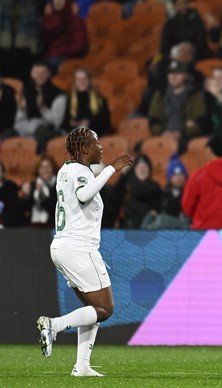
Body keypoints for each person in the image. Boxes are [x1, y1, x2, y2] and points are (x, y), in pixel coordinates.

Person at [36, 126, 133, 376]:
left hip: (62, 246)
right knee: (105, 309)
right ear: (85, 148)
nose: (101, 147)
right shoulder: (80, 171)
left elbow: (86, 182)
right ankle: (54, 325)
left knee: (92, 311)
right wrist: (113, 168)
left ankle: (82, 366)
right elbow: (83, 195)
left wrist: (104, 169)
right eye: (96, 142)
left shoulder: (67, 169)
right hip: (79, 248)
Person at [14, 61, 67, 153]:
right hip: (30, 129)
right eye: (37, 73)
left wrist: (42, 108)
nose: (40, 76)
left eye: (43, 73)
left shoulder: (59, 95)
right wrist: (22, 109)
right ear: (31, 74)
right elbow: (19, 123)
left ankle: (42, 163)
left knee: (40, 132)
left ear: (49, 74)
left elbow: (56, 123)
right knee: (8, 133)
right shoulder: (26, 93)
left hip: (52, 131)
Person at [110, 154, 162, 229]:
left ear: (149, 169)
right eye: (139, 167)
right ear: (134, 170)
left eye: (145, 167)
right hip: (129, 226)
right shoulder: (127, 185)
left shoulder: (155, 187)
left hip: (149, 227)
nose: (142, 170)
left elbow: (158, 209)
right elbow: (114, 198)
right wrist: (124, 175)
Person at [41, 0, 88, 73]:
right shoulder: (48, 19)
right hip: (49, 57)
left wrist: (58, 52)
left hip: (65, 58)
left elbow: (79, 45)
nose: (58, 2)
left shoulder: (74, 20)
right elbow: (43, 41)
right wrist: (48, 18)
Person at [65, 68, 111, 135]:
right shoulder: (70, 100)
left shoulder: (99, 99)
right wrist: (71, 123)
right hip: (74, 133)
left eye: (84, 79)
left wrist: (89, 122)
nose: (82, 82)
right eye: (79, 79)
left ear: (89, 81)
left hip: (95, 133)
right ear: (75, 82)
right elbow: (65, 121)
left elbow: (105, 121)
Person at [21, 155, 58, 228]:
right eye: (42, 167)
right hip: (33, 225)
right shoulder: (33, 184)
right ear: (38, 170)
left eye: (48, 166)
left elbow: (54, 208)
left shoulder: (58, 185)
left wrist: (41, 195)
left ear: (53, 168)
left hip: (51, 226)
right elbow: (26, 208)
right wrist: (26, 195)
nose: (45, 170)